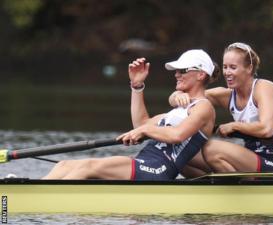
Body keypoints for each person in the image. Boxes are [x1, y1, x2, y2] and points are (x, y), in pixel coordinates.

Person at [43, 49, 219, 180]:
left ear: (201, 74)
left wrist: (145, 132)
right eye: (176, 71)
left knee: (88, 166)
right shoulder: (177, 110)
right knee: (64, 165)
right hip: (145, 162)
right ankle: (34, 194)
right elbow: (141, 124)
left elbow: (177, 135)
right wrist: (137, 86)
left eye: (183, 70)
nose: (177, 74)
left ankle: (45, 202)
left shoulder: (204, 107)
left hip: (160, 168)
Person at [169, 42, 273, 176]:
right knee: (181, 153)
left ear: (249, 68)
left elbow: (266, 130)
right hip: (249, 160)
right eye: (225, 67)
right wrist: (178, 95)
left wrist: (234, 126)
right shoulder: (225, 95)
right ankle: (213, 190)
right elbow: (175, 100)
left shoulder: (264, 88)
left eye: (233, 67)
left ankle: (237, 190)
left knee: (211, 149)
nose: (227, 72)